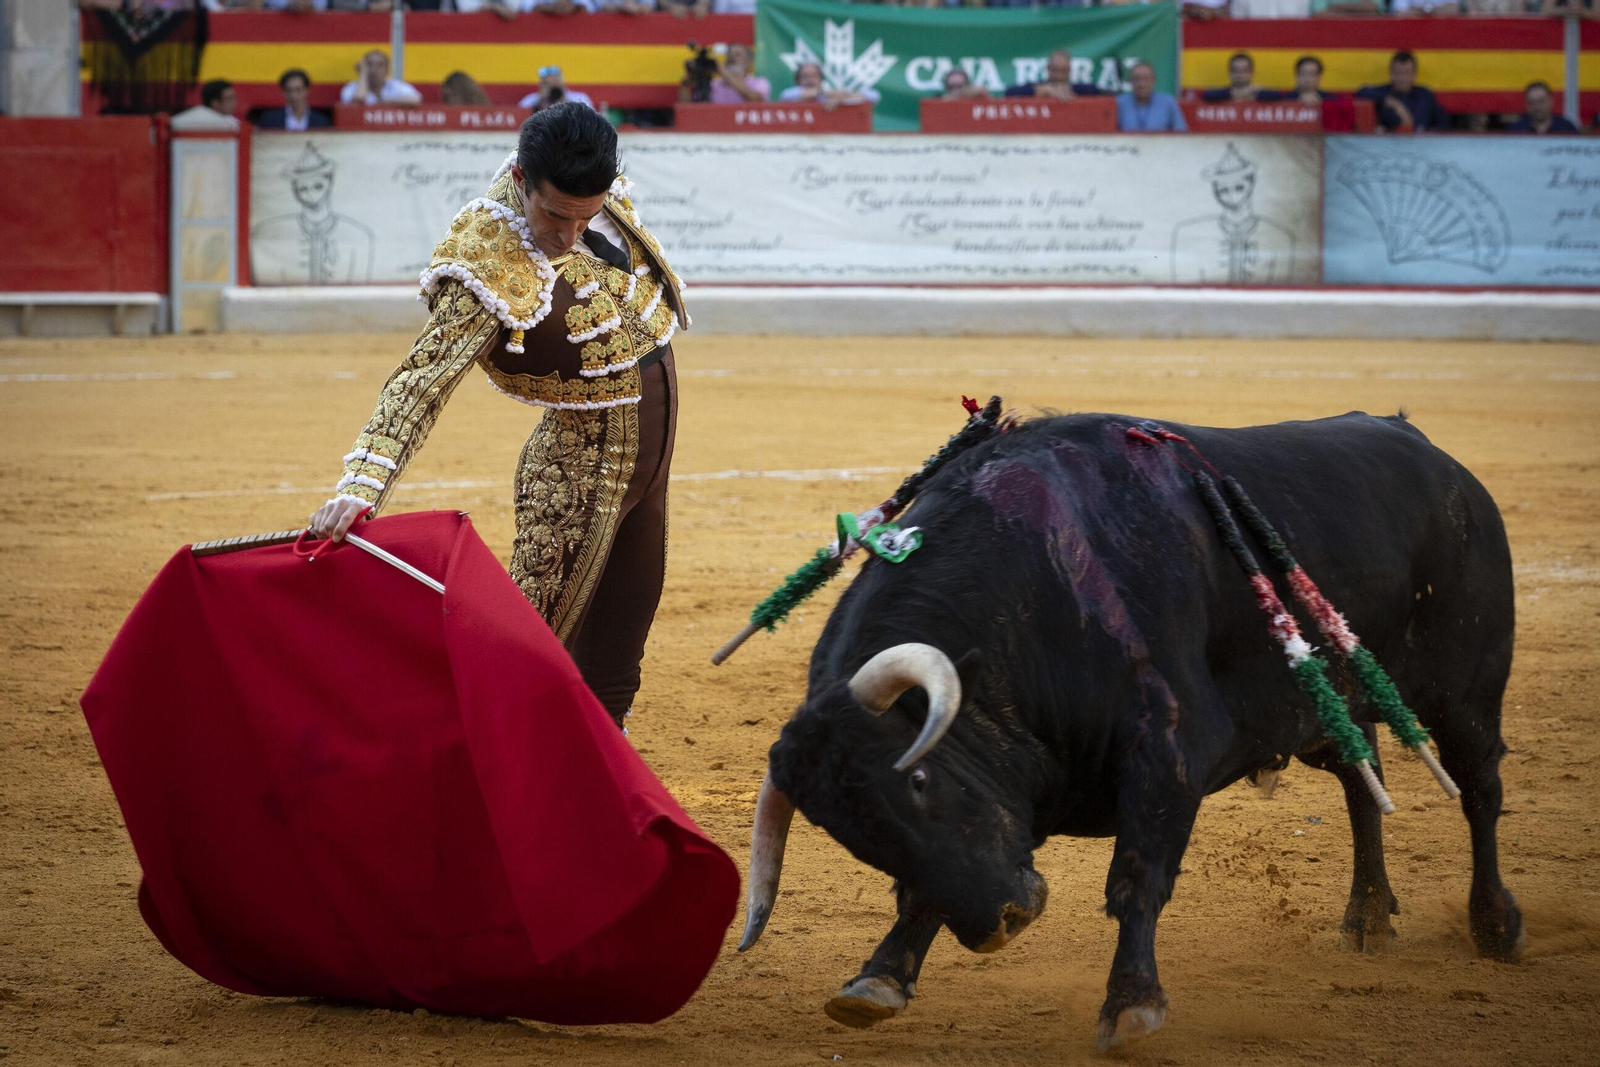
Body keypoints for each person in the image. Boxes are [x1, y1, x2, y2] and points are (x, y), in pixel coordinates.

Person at [307, 103, 687, 731]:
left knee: (617, 668)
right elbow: (420, 384)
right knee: (529, 659)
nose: (569, 235)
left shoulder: (588, 182)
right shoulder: (486, 263)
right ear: (519, 179)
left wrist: (581, 213)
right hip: (576, 483)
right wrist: (359, 488)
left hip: (649, 478)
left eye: (585, 217)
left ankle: (592, 799)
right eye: (554, 216)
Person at [1356, 51, 1449, 132]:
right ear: (1391, 74)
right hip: (1389, 146)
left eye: (1407, 73)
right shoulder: (1385, 92)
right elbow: (1361, 92)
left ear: (1414, 75)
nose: (1402, 78)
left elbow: (1443, 122)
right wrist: (1392, 102)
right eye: (1398, 73)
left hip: (1419, 146)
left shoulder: (1425, 95)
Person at [1004, 49, 1100, 101]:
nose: (1058, 76)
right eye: (1055, 70)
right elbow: (1009, 93)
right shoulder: (1037, 88)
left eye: (1063, 71)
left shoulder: (1080, 90)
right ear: (1048, 68)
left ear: (1070, 70)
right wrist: (1039, 90)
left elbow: (1098, 91)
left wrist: (1068, 90)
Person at [1116, 62, 1187, 132]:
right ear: (1130, 81)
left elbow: (1181, 134)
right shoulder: (1120, 103)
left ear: (1153, 80)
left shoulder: (1168, 102)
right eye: (1137, 79)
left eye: (1146, 79)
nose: (1141, 84)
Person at [779, 62, 879, 110]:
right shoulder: (790, 95)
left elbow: (874, 96)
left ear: (821, 79)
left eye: (814, 76)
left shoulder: (828, 97)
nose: (810, 80)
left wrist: (843, 99)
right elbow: (786, 96)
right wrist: (832, 93)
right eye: (805, 76)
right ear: (797, 81)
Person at [340, 50, 422, 107]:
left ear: (386, 70)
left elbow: (415, 99)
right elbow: (359, 100)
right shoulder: (351, 87)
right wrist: (362, 73)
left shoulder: (394, 85)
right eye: (370, 64)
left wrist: (381, 101)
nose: (375, 69)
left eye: (380, 65)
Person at [256, 69, 330, 131]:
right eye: (289, 90)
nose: (294, 96)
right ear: (283, 92)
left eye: (298, 90)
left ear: (307, 90)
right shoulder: (270, 120)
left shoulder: (321, 121)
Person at [1200, 53, 1279, 104]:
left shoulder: (1258, 92)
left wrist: (1255, 93)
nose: (1239, 75)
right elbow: (1207, 95)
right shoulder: (1222, 93)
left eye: (1244, 71)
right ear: (1229, 73)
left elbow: (1277, 96)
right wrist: (1234, 93)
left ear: (1252, 73)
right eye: (1235, 71)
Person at [1508, 81, 1578, 135]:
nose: (1537, 107)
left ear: (1551, 101)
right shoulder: (1517, 129)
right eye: (1532, 103)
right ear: (1526, 104)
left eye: (1541, 101)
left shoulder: (1566, 128)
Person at [171, 78, 239, 131]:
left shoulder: (233, 123)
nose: (234, 102)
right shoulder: (191, 121)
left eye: (234, 98)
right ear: (215, 103)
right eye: (229, 99)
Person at [519, 66, 596, 111]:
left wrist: (564, 100)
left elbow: (589, 118)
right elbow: (519, 116)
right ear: (541, 84)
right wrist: (540, 100)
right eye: (547, 83)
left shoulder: (579, 97)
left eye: (555, 82)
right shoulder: (531, 99)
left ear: (562, 82)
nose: (552, 86)